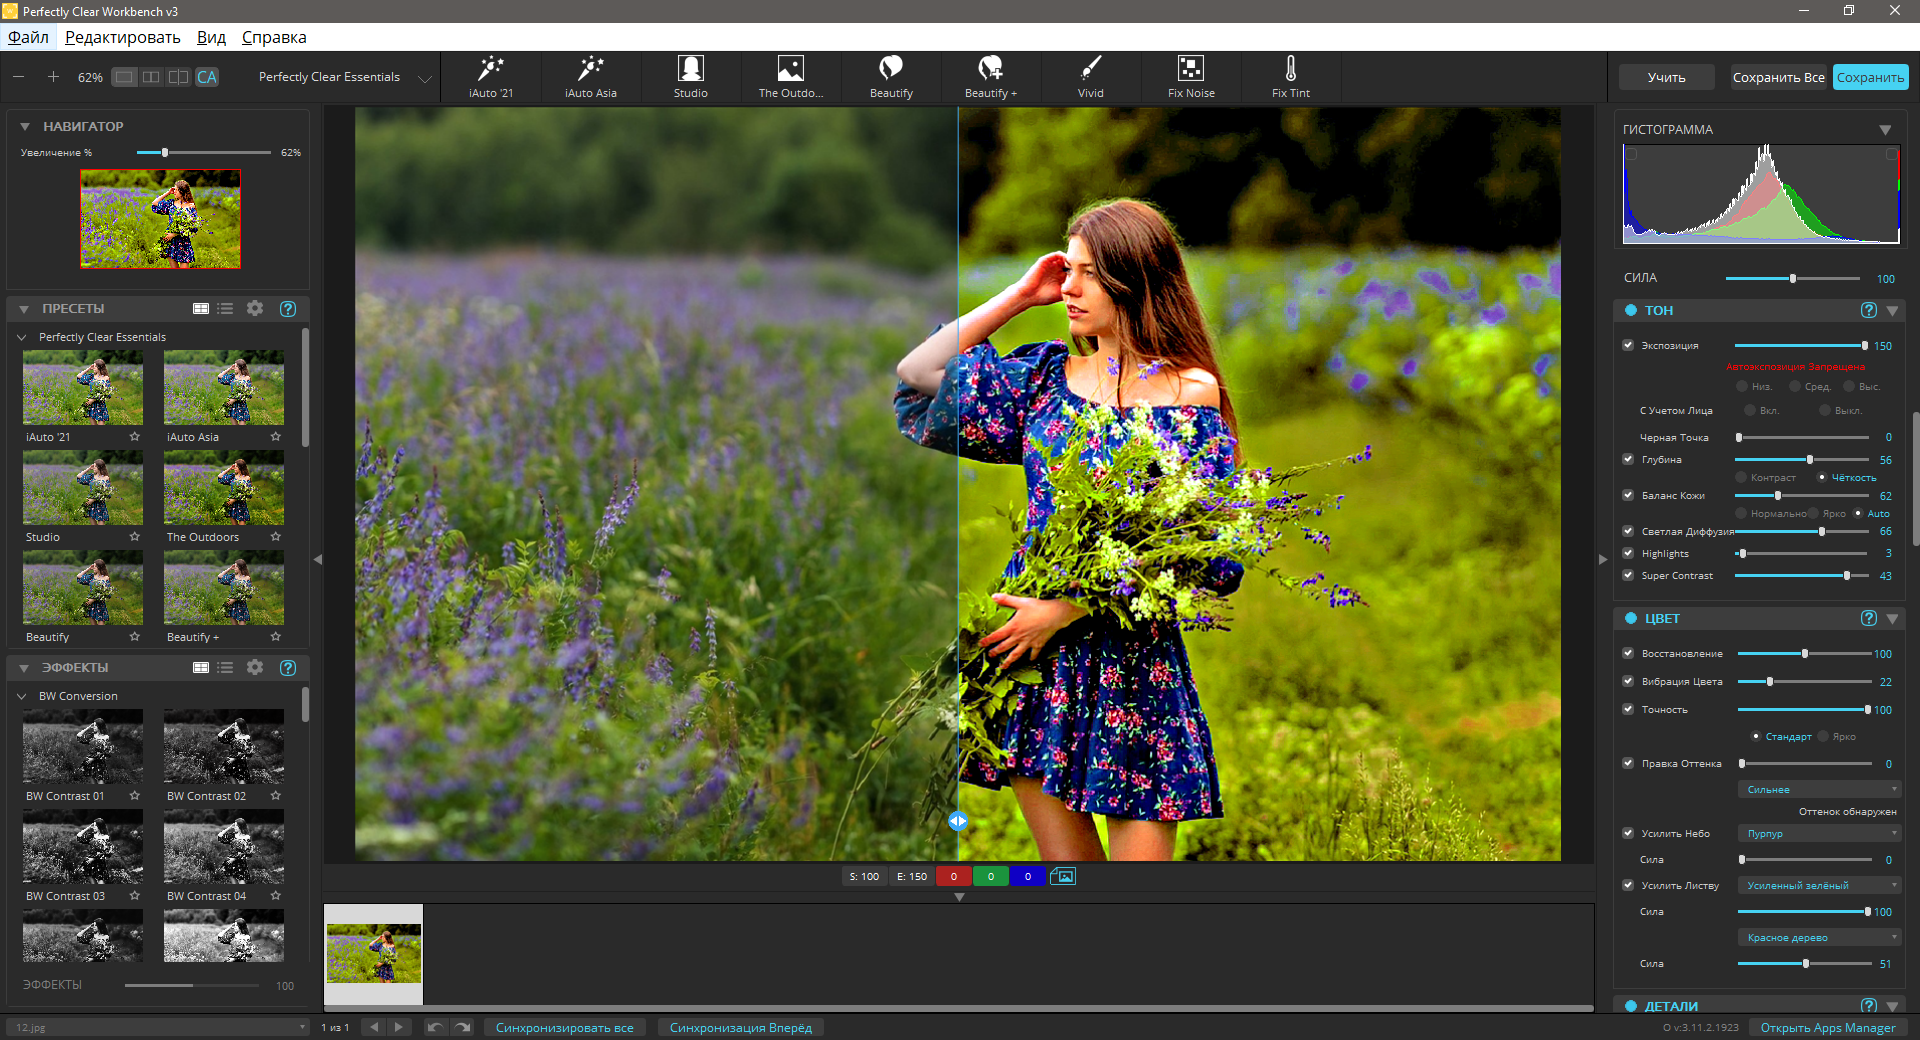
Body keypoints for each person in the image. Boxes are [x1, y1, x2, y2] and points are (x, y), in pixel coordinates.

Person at [893, 199, 1244, 862]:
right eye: (1067, 269)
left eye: (1088, 273)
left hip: (1134, 662)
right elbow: (916, 377)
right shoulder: (1044, 382)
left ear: (1134, 280)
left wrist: (1067, 608)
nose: (1070, 288)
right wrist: (1019, 296)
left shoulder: (1187, 392)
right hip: (1037, 665)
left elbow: (1203, 552)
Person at [150, 181, 200, 269]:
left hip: (183, 241)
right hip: (171, 242)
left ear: (182, 191)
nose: (174, 192)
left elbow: (193, 227)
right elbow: (154, 203)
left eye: (176, 190)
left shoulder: (190, 207)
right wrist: (168, 193)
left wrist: (174, 234)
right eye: (174, 189)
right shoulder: (171, 204)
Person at [73, 360, 114, 426]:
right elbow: (78, 376)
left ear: (99, 367)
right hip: (91, 405)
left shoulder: (106, 378)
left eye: (95, 366)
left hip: (100, 404)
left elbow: (107, 393)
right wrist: (88, 369)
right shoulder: (92, 377)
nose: (93, 368)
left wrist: (93, 399)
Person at [73, 559, 114, 626]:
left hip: (100, 604)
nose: (93, 567)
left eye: (95, 566)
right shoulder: (92, 577)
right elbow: (79, 576)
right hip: (91, 604)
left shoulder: (106, 578)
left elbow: (107, 593)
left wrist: (93, 599)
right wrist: (88, 569)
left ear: (100, 567)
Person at [74, 459, 113, 525]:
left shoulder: (106, 478)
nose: (93, 467)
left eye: (95, 466)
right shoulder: (91, 477)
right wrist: (88, 469)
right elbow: (79, 476)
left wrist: (94, 499)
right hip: (91, 504)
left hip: (100, 504)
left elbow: (107, 493)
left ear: (99, 467)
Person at [215, 360, 253, 425]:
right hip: (232, 405)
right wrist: (229, 369)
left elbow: (248, 393)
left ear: (240, 367)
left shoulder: (247, 378)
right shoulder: (232, 377)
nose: (234, 368)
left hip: (241, 404)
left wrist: (234, 399)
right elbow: (220, 376)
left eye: (236, 366)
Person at [216, 458, 253, 525]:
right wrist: (229, 469)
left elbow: (248, 493)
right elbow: (220, 476)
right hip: (231, 504)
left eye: (236, 466)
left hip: (241, 504)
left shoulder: (247, 478)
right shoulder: (233, 477)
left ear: (240, 467)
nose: (234, 468)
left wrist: (234, 499)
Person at [216, 559, 252, 625]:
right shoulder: (232, 577)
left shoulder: (247, 578)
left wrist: (234, 599)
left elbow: (248, 593)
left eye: (236, 566)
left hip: (241, 604)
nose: (234, 567)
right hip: (232, 604)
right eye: (234, 566)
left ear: (240, 567)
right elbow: (220, 576)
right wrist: (229, 569)